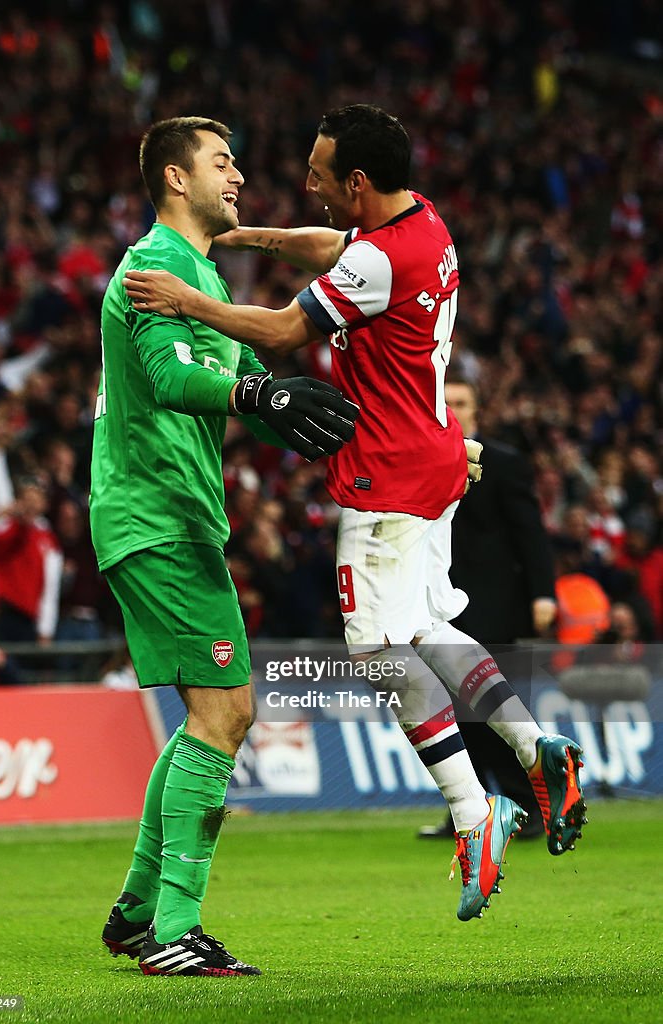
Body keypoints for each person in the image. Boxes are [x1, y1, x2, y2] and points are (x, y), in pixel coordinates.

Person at [123, 104, 588, 923]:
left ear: (358, 182)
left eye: (321, 175)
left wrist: (188, 301)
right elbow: (326, 245)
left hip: (389, 475)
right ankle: (534, 746)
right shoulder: (427, 226)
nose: (309, 186)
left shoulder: (375, 263)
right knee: (431, 624)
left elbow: (277, 331)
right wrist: (244, 238)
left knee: (376, 650)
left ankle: (474, 816)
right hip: (440, 448)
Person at [91, 116, 358, 977]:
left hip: (171, 515)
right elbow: (173, 380)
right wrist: (263, 394)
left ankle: (138, 911)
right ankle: (173, 931)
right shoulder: (155, 266)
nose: (237, 173)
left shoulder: (197, 271)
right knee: (228, 712)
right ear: (176, 178)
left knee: (203, 717)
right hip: (155, 513)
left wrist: (293, 414)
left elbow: (229, 392)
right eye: (221, 160)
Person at [418, 377, 557, 839]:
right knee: (456, 713)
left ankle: (527, 805)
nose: (454, 408)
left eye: (462, 402)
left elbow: (530, 533)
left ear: (477, 411)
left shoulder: (504, 462)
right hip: (439, 605)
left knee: (488, 711)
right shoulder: (419, 456)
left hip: (495, 607)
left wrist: (543, 594)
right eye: (447, 401)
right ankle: (471, 808)